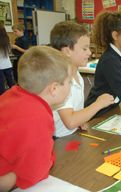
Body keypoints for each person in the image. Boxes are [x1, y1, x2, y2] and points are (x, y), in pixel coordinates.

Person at [0, 46, 72, 191]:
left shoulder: (11, 93)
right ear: (54, 88)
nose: (71, 86)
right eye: (69, 82)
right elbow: (35, 172)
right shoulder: (38, 117)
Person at [50, 21, 115, 138]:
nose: (89, 52)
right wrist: (98, 104)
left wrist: (80, 120)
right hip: (58, 140)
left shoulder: (77, 75)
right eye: (84, 49)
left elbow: (74, 115)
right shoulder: (61, 80)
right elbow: (70, 122)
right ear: (67, 51)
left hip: (71, 134)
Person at [0, 23, 15, 94]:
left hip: (0, 67)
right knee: (11, 84)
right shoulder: (6, 39)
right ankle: (15, 98)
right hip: (8, 65)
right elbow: (9, 51)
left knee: (1, 87)